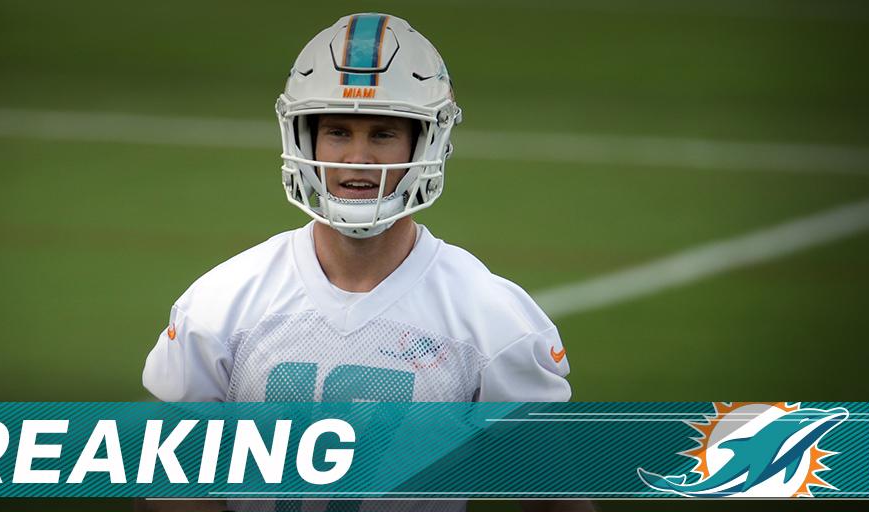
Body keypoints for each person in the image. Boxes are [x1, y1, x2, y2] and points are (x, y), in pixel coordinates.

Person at [142, 13, 588, 512]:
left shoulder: (492, 319)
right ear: (304, 138)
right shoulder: (222, 303)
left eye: (382, 134)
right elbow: (169, 486)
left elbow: (554, 501)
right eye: (338, 131)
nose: (357, 158)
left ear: (427, 142)